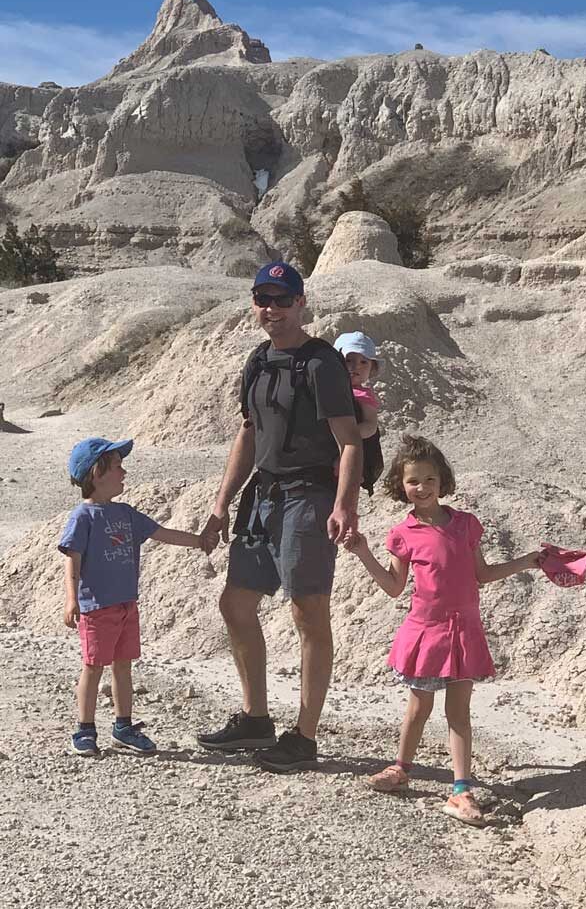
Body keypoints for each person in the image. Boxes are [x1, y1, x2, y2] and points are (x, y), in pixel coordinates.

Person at [197, 261, 362, 772]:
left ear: (301, 303)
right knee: (236, 604)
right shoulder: (258, 361)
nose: (272, 309)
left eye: (282, 300)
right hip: (262, 497)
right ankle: (256, 718)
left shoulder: (322, 363)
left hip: (308, 497)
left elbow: (350, 440)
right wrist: (222, 500)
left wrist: (343, 503)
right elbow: (248, 433)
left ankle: (304, 737)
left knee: (308, 613)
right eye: (263, 299)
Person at [343, 434, 543, 826]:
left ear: (442, 480)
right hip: (426, 630)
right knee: (419, 707)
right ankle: (400, 769)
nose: (421, 488)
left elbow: (482, 574)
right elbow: (394, 587)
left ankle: (460, 791)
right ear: (401, 485)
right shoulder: (403, 534)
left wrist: (527, 561)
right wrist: (363, 551)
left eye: (429, 479)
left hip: (463, 630)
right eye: (413, 481)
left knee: (459, 712)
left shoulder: (466, 525)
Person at [60, 437, 213, 756]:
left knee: (123, 666)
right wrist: (71, 599)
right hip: (97, 608)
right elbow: (71, 559)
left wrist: (199, 541)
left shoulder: (127, 514)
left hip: (126, 605)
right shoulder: (82, 518)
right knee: (93, 667)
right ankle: (85, 729)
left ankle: (123, 726)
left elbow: (163, 534)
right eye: (117, 466)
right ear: (96, 473)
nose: (124, 472)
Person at [333, 331, 381, 440]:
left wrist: (347, 435)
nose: (356, 366)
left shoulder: (363, 395)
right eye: (348, 360)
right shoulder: (327, 388)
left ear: (372, 368)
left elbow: (370, 425)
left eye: (363, 362)